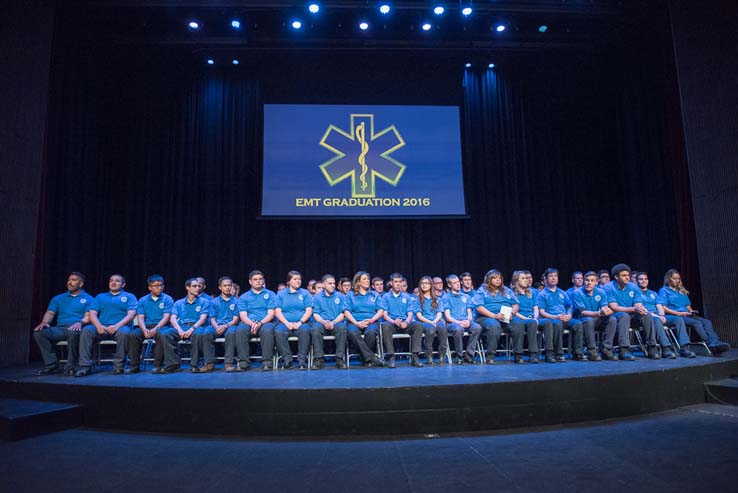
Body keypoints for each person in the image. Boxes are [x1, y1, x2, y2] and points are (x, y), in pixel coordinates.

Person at [33, 272, 94, 375]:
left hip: (78, 328)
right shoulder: (58, 298)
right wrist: (44, 322)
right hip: (60, 329)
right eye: (69, 280)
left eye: (73, 280)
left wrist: (80, 323)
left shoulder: (89, 299)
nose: (70, 282)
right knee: (39, 333)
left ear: (81, 284)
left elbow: (88, 316)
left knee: (73, 332)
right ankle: (52, 365)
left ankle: (71, 367)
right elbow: (50, 313)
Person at [77, 274, 137, 376]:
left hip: (120, 327)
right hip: (102, 327)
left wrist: (116, 326)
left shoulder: (129, 296)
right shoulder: (100, 297)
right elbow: (92, 313)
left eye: (117, 281)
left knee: (125, 332)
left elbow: (131, 315)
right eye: (111, 281)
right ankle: (85, 366)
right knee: (86, 330)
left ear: (123, 284)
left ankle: (119, 366)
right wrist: (99, 326)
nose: (113, 283)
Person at [660, 269, 730, 355]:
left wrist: (691, 311)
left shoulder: (681, 291)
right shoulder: (664, 291)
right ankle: (710, 344)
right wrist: (678, 313)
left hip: (687, 315)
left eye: (678, 278)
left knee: (707, 322)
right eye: (674, 278)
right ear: (668, 279)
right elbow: (663, 307)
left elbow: (687, 305)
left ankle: (715, 341)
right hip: (677, 315)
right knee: (696, 322)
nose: (676, 280)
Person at [635, 272, 693, 358]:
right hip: (647, 317)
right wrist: (658, 316)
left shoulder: (653, 293)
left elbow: (659, 306)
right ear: (637, 281)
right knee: (657, 320)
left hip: (658, 315)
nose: (644, 281)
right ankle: (666, 348)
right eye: (641, 279)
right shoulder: (636, 293)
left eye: (645, 279)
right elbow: (642, 309)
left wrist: (661, 315)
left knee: (678, 319)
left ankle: (684, 347)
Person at [473, 269, 522, 364]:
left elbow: (515, 304)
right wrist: (494, 316)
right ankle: (490, 356)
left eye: (499, 278)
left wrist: (512, 313)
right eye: (495, 278)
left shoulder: (506, 290)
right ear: (489, 279)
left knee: (518, 323)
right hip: (487, 317)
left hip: (505, 316)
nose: (498, 280)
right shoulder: (482, 290)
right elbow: (479, 307)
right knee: (494, 325)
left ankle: (518, 355)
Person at [536, 268, 583, 363]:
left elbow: (569, 306)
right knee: (557, 323)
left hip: (564, 318)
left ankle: (577, 353)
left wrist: (569, 315)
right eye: (551, 276)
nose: (553, 278)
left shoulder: (562, 292)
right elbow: (542, 312)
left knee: (578, 323)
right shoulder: (542, 294)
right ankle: (557, 353)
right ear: (545, 279)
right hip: (551, 318)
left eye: (555, 276)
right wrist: (555, 317)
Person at [129, 274, 174, 374]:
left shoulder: (167, 299)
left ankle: (157, 365)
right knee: (133, 335)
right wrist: (144, 329)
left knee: (161, 334)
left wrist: (156, 328)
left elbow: (166, 317)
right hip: (146, 326)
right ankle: (134, 365)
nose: (160, 287)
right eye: (156, 286)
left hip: (161, 326)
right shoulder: (143, 300)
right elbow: (140, 317)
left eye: (161, 285)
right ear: (150, 287)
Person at [379, 273, 424, 367]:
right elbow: (384, 315)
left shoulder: (407, 297)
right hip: (392, 323)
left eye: (400, 282)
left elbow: (410, 313)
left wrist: (406, 322)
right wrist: (394, 321)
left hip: (404, 323)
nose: (398, 284)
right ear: (391, 283)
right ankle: (391, 356)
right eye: (396, 282)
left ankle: (415, 356)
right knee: (385, 325)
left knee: (418, 325)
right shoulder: (386, 297)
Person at [237, 270, 278, 371]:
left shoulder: (271, 294)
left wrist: (260, 323)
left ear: (263, 280)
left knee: (268, 330)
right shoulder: (244, 296)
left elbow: (271, 313)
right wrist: (252, 324)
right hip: (249, 322)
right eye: (255, 279)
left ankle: (267, 362)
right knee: (240, 330)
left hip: (266, 322)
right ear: (250, 282)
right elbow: (243, 316)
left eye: (260, 279)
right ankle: (244, 362)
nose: (258, 281)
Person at [602, 264, 644, 361]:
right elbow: (614, 307)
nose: (627, 277)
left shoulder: (633, 287)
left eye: (628, 275)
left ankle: (652, 346)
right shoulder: (608, 287)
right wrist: (634, 309)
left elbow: (637, 303)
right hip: (616, 315)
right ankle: (624, 349)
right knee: (624, 315)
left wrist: (641, 308)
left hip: (631, 314)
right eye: (624, 275)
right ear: (616, 277)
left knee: (647, 315)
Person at [571, 271, 615, 362]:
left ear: (596, 282)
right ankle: (591, 350)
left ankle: (606, 349)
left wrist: (604, 310)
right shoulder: (577, 293)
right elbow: (582, 312)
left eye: (592, 280)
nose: (589, 283)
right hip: (582, 320)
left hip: (596, 319)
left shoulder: (601, 292)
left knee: (612, 319)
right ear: (584, 281)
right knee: (588, 320)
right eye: (587, 280)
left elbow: (604, 305)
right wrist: (599, 313)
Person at [343, 271, 385, 367]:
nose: (367, 281)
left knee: (370, 333)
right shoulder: (350, 295)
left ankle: (366, 359)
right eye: (364, 279)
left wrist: (371, 320)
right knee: (353, 333)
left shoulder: (374, 294)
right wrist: (356, 323)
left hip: (371, 321)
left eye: (368, 279)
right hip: (354, 321)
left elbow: (381, 311)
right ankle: (371, 358)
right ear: (358, 282)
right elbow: (346, 311)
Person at [274, 271, 313, 369]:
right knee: (278, 331)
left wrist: (300, 322)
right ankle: (287, 359)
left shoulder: (305, 293)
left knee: (305, 330)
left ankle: (302, 360)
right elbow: (277, 311)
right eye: (295, 279)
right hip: (285, 323)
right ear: (289, 282)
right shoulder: (281, 294)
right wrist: (287, 323)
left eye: (299, 279)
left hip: (301, 323)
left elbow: (309, 310)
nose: (298, 281)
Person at [311, 274, 349, 369]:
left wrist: (333, 322)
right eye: (330, 283)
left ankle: (339, 358)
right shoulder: (317, 297)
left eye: (334, 283)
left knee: (342, 328)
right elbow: (316, 314)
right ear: (323, 285)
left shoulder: (340, 296)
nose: (332, 285)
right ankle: (319, 359)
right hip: (322, 322)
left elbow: (343, 313)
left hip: (336, 322)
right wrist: (324, 322)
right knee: (315, 328)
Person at [442, 274, 482, 364]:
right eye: (454, 283)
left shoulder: (466, 297)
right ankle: (459, 356)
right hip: (453, 323)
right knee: (458, 329)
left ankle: (469, 355)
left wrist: (468, 320)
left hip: (466, 321)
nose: (457, 284)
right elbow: (448, 317)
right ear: (449, 285)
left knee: (477, 327)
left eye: (458, 282)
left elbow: (469, 313)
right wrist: (459, 322)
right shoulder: (446, 297)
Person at [209, 276, 241, 372]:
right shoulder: (214, 302)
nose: (227, 287)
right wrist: (217, 327)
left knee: (231, 333)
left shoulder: (236, 301)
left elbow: (235, 319)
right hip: (216, 325)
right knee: (206, 333)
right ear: (220, 287)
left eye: (229, 285)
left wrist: (226, 325)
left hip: (230, 325)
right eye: (225, 285)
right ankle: (209, 363)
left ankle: (228, 363)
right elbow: (212, 318)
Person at [510, 270, 540, 363]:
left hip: (532, 318)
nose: (526, 280)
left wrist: (535, 317)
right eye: (523, 278)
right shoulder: (512, 294)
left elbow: (536, 308)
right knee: (527, 323)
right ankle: (520, 354)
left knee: (547, 322)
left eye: (526, 278)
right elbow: (514, 311)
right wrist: (526, 319)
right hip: (519, 317)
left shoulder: (532, 293)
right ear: (516, 281)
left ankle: (538, 354)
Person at [415, 275, 447, 365]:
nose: (424, 285)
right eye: (422, 283)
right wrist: (431, 322)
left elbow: (439, 313)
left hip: (436, 320)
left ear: (431, 285)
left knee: (442, 328)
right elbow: (419, 315)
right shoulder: (417, 299)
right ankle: (429, 355)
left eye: (427, 283)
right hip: (425, 321)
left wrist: (435, 321)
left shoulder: (437, 299)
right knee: (430, 329)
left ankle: (442, 355)